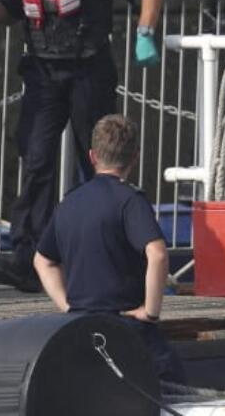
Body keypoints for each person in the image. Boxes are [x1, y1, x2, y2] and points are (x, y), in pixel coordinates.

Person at [0, 0, 166, 292]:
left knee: (99, 165)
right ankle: (26, 258)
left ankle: (118, 260)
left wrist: (145, 32)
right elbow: (10, 10)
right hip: (43, 70)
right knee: (37, 161)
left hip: (88, 68)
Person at [34, 114, 185, 383]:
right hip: (127, 328)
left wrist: (67, 306)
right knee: (175, 390)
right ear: (134, 157)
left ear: (92, 156)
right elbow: (158, 254)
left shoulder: (69, 203)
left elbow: (43, 260)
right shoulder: (130, 201)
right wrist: (149, 312)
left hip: (79, 329)